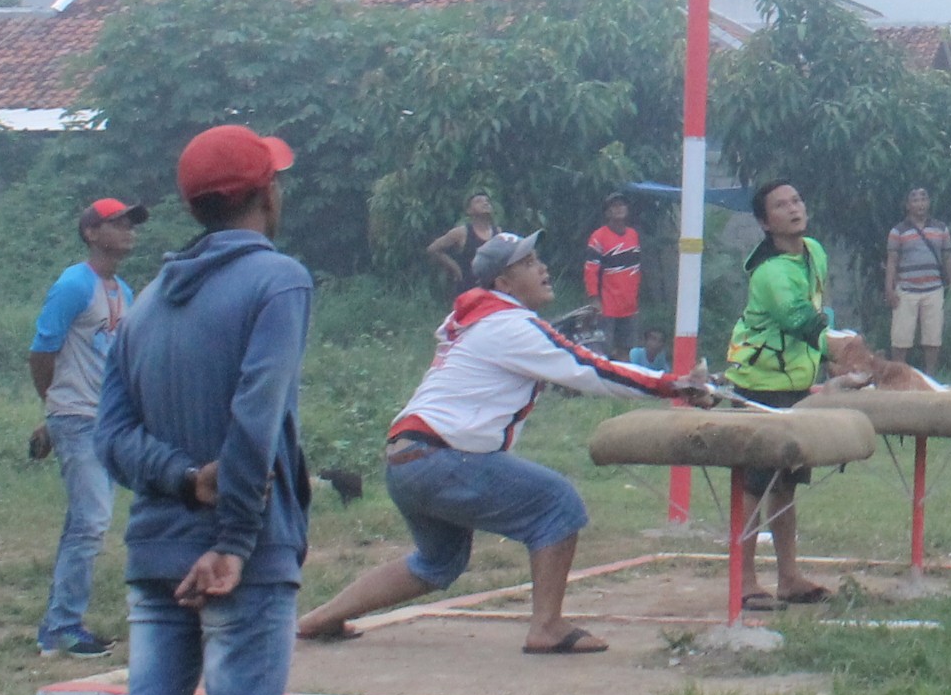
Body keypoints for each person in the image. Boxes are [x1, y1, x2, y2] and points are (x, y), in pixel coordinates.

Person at [93, 124, 313, 695]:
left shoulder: (148, 298)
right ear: (266, 195)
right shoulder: (279, 282)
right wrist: (231, 535)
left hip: (154, 548)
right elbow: (256, 417)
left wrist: (183, 480)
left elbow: (111, 435)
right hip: (241, 559)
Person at [297, 231, 703, 655]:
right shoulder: (510, 325)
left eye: (537, 259)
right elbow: (591, 370)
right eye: (527, 263)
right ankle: (546, 627)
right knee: (556, 503)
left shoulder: (480, 320)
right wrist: (675, 385)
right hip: (440, 456)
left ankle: (320, 617)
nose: (543, 268)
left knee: (438, 561)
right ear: (503, 284)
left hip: (406, 460)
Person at [28, 196, 148, 656]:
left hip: (109, 419)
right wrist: (55, 407)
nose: (128, 230)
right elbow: (42, 351)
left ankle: (66, 620)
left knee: (91, 520)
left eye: (131, 224)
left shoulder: (123, 290)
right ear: (91, 233)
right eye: (117, 223)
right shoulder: (74, 285)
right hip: (78, 419)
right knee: (92, 522)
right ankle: (60, 627)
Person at [724, 181, 835, 609]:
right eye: (781, 205)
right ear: (764, 222)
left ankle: (789, 577)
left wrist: (831, 355)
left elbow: (818, 311)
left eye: (797, 199)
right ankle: (746, 581)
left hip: (794, 385)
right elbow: (800, 320)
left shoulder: (814, 251)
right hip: (758, 386)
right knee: (752, 487)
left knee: (785, 485)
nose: (793, 208)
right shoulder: (769, 272)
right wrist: (841, 349)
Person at [881, 185, 951, 376]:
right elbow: (892, 261)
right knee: (901, 338)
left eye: (923, 199)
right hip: (906, 290)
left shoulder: (941, 228)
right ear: (907, 205)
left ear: (929, 203)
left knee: (932, 337)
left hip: (934, 289)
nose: (920, 204)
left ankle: (930, 377)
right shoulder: (898, 231)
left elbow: (948, 257)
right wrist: (889, 289)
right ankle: (899, 376)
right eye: (915, 200)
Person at [584, 193, 644, 355]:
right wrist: (594, 299)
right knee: (605, 351)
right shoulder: (598, 237)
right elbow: (591, 271)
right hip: (607, 307)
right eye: (614, 206)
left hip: (629, 305)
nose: (619, 208)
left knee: (626, 350)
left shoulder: (633, 235)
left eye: (622, 205)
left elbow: (636, 268)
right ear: (607, 212)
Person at [425, 189, 499, 292]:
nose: (485, 203)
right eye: (479, 201)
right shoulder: (461, 233)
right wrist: (454, 267)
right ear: (469, 210)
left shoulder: (498, 232)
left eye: (487, 201)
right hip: (467, 290)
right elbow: (433, 249)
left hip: (492, 290)